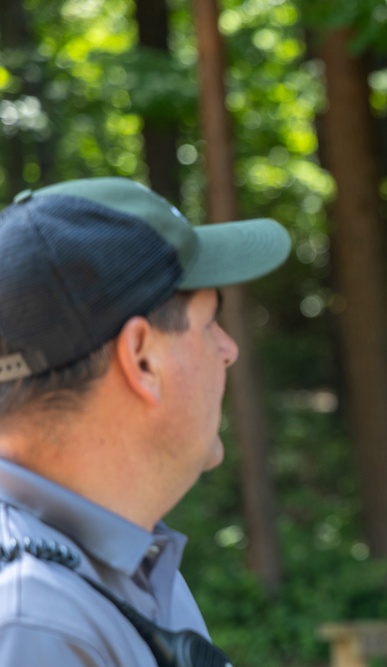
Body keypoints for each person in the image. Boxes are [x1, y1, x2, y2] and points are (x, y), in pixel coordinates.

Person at [0, 177, 290, 664]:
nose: (228, 349)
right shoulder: (35, 623)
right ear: (142, 360)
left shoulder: (133, 562)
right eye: (209, 323)